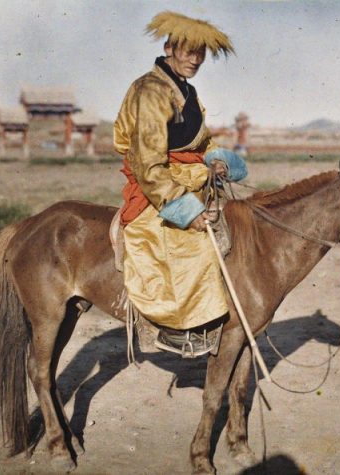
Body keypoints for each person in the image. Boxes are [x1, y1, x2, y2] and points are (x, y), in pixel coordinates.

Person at [113, 11, 247, 358]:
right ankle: (173, 327)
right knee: (191, 245)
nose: (195, 59)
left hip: (189, 176)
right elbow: (149, 164)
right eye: (188, 51)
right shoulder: (150, 91)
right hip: (156, 187)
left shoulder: (187, 90)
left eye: (201, 53)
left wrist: (216, 159)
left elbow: (199, 144)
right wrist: (187, 211)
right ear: (168, 47)